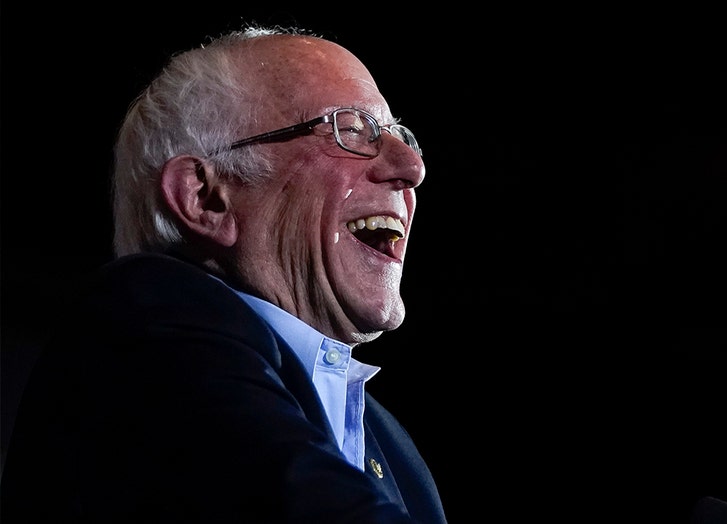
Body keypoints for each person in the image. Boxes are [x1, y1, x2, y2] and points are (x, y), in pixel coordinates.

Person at [0, 25, 446, 523]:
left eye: (399, 135)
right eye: (352, 129)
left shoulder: (391, 444)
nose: (412, 167)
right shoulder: (145, 322)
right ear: (204, 198)